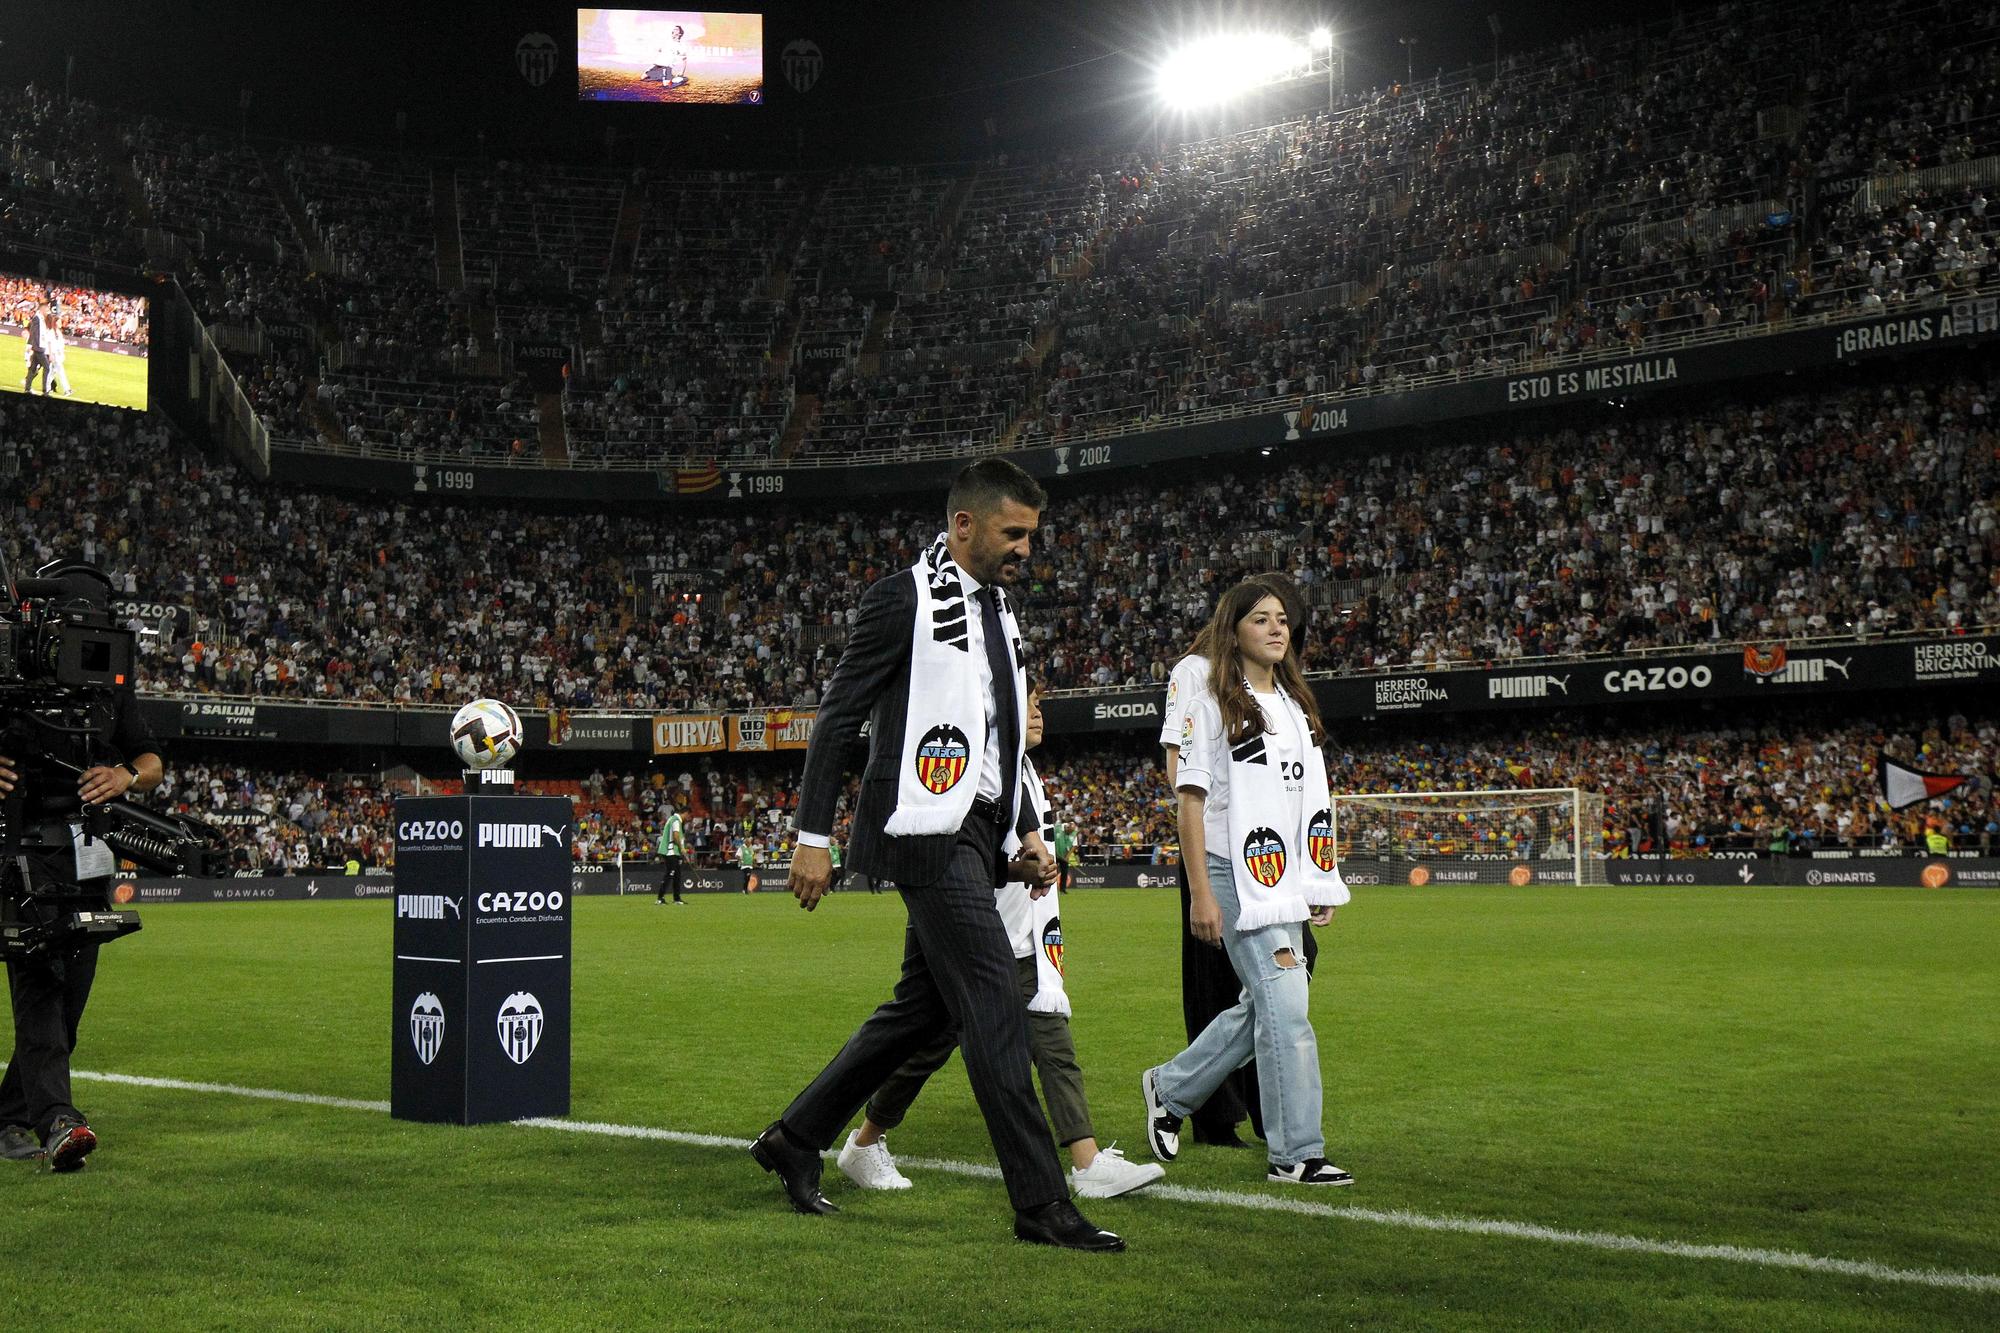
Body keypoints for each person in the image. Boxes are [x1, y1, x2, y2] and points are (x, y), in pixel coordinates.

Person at [750, 458, 1124, 1252]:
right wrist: (810, 839)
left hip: (980, 831)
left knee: (925, 1007)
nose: (1027, 547)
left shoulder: (1003, 615)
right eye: (1012, 532)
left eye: (1032, 534)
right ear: (963, 525)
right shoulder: (901, 599)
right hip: (921, 828)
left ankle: (797, 1136)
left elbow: (1000, 739)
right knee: (993, 1002)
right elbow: (837, 719)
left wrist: (1024, 827)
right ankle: (1040, 1203)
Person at [835, 683, 1164, 1200]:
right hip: (968, 928)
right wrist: (1020, 867)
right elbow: (963, 859)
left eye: (1038, 706)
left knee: (1051, 1039)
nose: (1037, 714)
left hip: (1017, 934)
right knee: (926, 1043)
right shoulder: (979, 776)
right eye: (1027, 704)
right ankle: (861, 1141)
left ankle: (1087, 1160)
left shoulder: (1026, 775)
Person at [1142, 579, 1352, 1187]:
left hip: (1282, 876)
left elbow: (1309, 802)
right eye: (1260, 619)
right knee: (1287, 1006)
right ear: (1233, 630)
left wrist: (1317, 878)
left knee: (1270, 999)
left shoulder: (1293, 707)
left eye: (1283, 618)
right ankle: (1296, 1154)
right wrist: (1201, 892)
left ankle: (1172, 1087)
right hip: (1231, 871)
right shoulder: (1211, 701)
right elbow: (1189, 799)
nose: (1276, 628)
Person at [0, 563, 165, 1172]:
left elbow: (152, 759)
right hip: (23, 848)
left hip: (90, 853)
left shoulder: (107, 683)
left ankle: (10, 1116)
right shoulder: (8, 672)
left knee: (71, 998)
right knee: (40, 983)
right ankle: (57, 1122)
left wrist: (127, 774)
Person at [655, 807, 686, 905]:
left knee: (677, 875)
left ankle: (677, 898)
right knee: (670, 874)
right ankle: (660, 898)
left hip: (673, 852)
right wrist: (682, 848)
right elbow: (676, 835)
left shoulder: (671, 819)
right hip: (671, 852)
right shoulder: (676, 821)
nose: (687, 817)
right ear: (685, 813)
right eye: (687, 815)